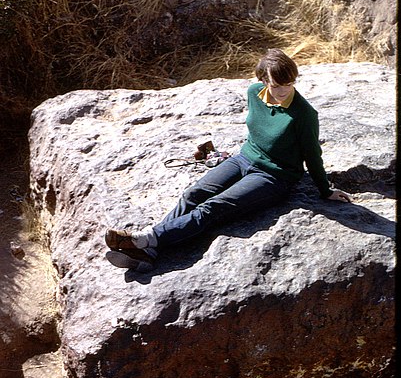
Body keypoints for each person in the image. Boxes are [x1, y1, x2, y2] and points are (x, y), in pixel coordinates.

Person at [105, 48, 351, 272]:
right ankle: (148, 252)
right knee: (193, 193)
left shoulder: (304, 114)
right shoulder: (254, 93)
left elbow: (312, 155)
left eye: (289, 83)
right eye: (276, 85)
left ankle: (147, 239)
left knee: (214, 207)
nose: (283, 90)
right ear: (263, 81)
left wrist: (324, 189)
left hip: (274, 176)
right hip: (244, 158)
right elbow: (258, 128)